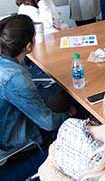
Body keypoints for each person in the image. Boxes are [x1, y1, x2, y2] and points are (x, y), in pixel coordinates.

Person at [0, 15, 77, 151]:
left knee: (58, 95)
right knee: (72, 104)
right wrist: (69, 115)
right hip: (16, 143)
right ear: (29, 46)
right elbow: (48, 123)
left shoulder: (6, 61)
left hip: (8, 122)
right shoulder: (17, 77)